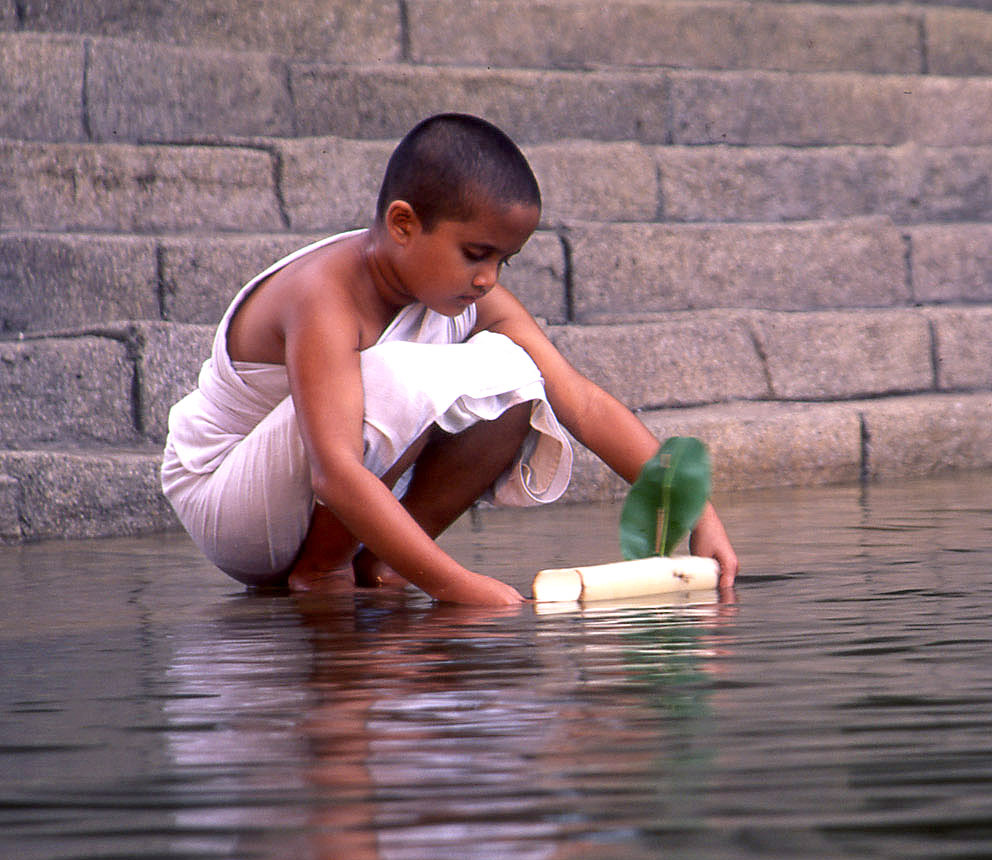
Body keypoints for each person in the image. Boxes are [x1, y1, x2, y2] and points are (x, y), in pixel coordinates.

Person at [161, 113, 738, 606]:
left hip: (316, 497)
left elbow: (581, 403)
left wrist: (698, 513)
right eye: (475, 254)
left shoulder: (466, 296)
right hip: (229, 503)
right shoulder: (325, 295)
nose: (487, 279)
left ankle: (382, 564)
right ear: (404, 224)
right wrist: (459, 588)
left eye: (503, 262)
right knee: (399, 377)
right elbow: (333, 473)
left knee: (515, 381)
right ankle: (323, 572)